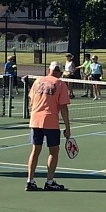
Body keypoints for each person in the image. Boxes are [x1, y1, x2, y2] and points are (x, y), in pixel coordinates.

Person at [26, 61, 72, 191]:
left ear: (48, 70)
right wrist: (68, 128)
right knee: (54, 151)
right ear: (61, 72)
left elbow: (31, 101)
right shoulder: (61, 84)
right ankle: (50, 182)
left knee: (35, 150)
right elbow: (63, 107)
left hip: (35, 120)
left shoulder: (37, 81)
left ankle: (30, 181)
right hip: (50, 120)